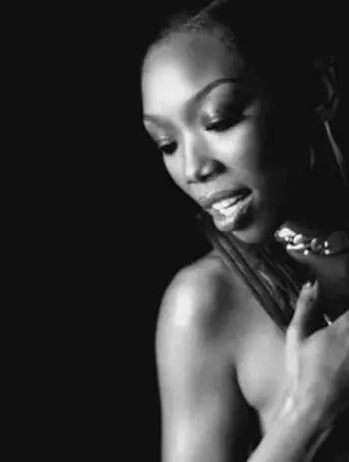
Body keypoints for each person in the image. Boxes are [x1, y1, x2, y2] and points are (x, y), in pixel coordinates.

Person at [140, 0, 349, 460]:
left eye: (219, 120)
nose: (193, 168)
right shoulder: (205, 305)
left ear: (318, 91)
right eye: (167, 144)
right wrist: (310, 411)